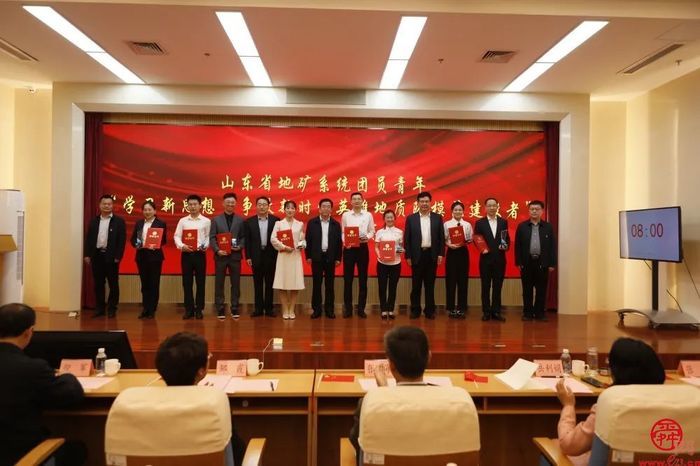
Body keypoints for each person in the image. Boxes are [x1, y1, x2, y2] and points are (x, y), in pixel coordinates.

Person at [551, 338, 665, 466]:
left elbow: (568, 446)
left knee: (554, 446)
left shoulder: (610, 406)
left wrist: (568, 406)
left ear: (616, 371)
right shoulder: (669, 404)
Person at [0, 303, 86, 466]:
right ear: (29, 332)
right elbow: (72, 394)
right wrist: (66, 375)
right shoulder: (32, 369)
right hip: (22, 457)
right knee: (76, 450)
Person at [155, 332, 246, 466]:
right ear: (201, 371)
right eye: (208, 356)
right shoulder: (216, 405)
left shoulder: (146, 406)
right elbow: (236, 455)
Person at [350, 326, 432, 463]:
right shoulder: (453, 401)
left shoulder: (369, 404)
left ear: (391, 365)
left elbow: (357, 443)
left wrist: (384, 392)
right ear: (429, 357)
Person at [84, 194, 126, 318]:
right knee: (98, 284)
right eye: (104, 204)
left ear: (112, 206)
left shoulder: (119, 222)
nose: (106, 206)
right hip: (97, 255)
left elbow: (121, 241)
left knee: (113, 284)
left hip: (111, 257)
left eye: (109, 204)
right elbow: (89, 239)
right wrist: (87, 254)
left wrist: (118, 256)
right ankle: (100, 308)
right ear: (100, 205)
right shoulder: (94, 221)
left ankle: (112, 308)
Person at [404, 192, 444, 319]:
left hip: (431, 255)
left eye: (427, 201)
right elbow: (407, 239)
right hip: (417, 255)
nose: (424, 204)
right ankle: (415, 310)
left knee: (430, 285)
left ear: (430, 203)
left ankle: (429, 311)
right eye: (422, 201)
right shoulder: (411, 218)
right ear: (418, 203)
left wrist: (441, 254)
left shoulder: (437, 218)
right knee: (416, 285)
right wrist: (408, 256)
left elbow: (441, 238)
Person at [514, 200, 556, 321]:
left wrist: (552, 263)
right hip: (526, 262)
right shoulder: (522, 226)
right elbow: (517, 246)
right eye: (532, 209)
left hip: (542, 262)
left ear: (542, 211)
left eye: (537, 209)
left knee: (541, 289)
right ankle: (527, 313)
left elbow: (552, 246)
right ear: (529, 211)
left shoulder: (548, 227)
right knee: (527, 289)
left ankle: (539, 313)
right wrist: (518, 262)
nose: (534, 211)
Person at [173, 194, 211, 320]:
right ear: (187, 206)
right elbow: (177, 236)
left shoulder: (206, 221)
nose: (193, 207)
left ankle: (199, 309)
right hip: (186, 254)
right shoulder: (183, 221)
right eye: (190, 204)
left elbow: (208, 237)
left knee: (201, 282)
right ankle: (189, 309)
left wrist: (205, 246)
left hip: (200, 254)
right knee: (187, 282)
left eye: (195, 204)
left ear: (200, 206)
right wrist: (182, 246)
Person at [305, 198, 342, 319]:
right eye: (323, 206)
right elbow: (308, 240)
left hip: (330, 257)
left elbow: (339, 243)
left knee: (329, 285)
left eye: (328, 206)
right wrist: (308, 256)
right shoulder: (312, 223)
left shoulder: (336, 224)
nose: (326, 208)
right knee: (317, 284)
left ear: (331, 209)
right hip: (317, 257)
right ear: (319, 209)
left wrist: (338, 258)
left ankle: (329, 309)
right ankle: (316, 310)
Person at [210, 193, 245, 320]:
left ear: (235, 204)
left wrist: (240, 246)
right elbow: (212, 237)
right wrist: (217, 250)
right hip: (221, 256)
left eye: (232, 202)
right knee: (219, 283)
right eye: (228, 202)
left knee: (235, 283)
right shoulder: (215, 220)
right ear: (223, 204)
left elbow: (243, 237)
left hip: (235, 256)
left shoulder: (240, 220)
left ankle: (234, 306)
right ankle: (220, 307)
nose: (230, 204)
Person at [130, 200, 167, 319]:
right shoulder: (139, 223)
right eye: (145, 210)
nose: (147, 212)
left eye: (149, 209)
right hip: (141, 256)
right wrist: (136, 244)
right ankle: (145, 308)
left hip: (155, 257)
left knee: (154, 283)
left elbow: (164, 240)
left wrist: (155, 244)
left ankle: (152, 309)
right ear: (142, 211)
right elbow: (133, 239)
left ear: (154, 211)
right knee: (144, 284)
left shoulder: (160, 223)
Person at [474, 198, 509, 322]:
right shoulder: (480, 223)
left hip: (500, 259)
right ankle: (486, 312)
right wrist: (481, 248)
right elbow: (477, 239)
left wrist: (505, 245)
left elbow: (506, 238)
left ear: (497, 207)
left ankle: (496, 311)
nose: (492, 208)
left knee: (498, 286)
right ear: (485, 208)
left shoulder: (503, 222)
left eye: (494, 205)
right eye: (489, 205)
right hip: (485, 260)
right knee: (485, 286)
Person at [341, 192, 375, 318]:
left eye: (358, 199)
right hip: (349, 249)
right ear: (350, 202)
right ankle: (348, 309)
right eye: (354, 199)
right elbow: (343, 232)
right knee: (347, 279)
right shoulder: (346, 215)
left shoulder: (368, 215)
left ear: (362, 201)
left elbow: (372, 231)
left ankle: (361, 309)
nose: (356, 201)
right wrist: (345, 242)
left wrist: (368, 237)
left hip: (362, 248)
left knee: (363, 279)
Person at [244, 197, 280, 317]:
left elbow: (278, 238)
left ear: (268, 206)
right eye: (259, 204)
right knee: (257, 283)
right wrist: (248, 256)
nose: (262, 207)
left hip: (271, 255)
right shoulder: (249, 221)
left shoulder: (276, 221)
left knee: (270, 283)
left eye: (264, 204)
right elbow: (248, 241)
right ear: (256, 206)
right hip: (256, 255)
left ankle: (269, 309)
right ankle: (258, 309)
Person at [270, 201, 306, 320]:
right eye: (288, 208)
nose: (290, 210)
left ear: (295, 210)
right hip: (283, 256)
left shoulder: (299, 224)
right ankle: (285, 309)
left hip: (295, 256)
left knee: (295, 284)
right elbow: (273, 239)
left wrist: (302, 244)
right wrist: (284, 247)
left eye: (292, 208)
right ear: (284, 210)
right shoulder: (279, 223)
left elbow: (302, 239)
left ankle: (292, 309)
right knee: (282, 283)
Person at [443, 201, 472, 319]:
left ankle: (461, 308)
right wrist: (449, 245)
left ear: (463, 211)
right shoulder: (447, 224)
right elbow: (444, 239)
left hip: (463, 252)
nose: (458, 211)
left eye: (460, 210)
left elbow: (470, 239)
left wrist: (467, 241)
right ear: (452, 211)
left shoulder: (467, 224)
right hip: (451, 252)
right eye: (456, 210)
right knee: (451, 280)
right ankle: (450, 308)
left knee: (463, 281)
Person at [374, 210, 403, 319]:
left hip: (396, 263)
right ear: (384, 219)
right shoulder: (379, 232)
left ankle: (390, 310)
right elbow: (376, 247)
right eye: (387, 217)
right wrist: (379, 255)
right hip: (382, 264)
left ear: (394, 218)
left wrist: (401, 250)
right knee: (382, 287)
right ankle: (383, 310)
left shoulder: (399, 232)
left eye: (391, 217)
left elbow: (400, 246)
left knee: (393, 287)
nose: (390, 219)